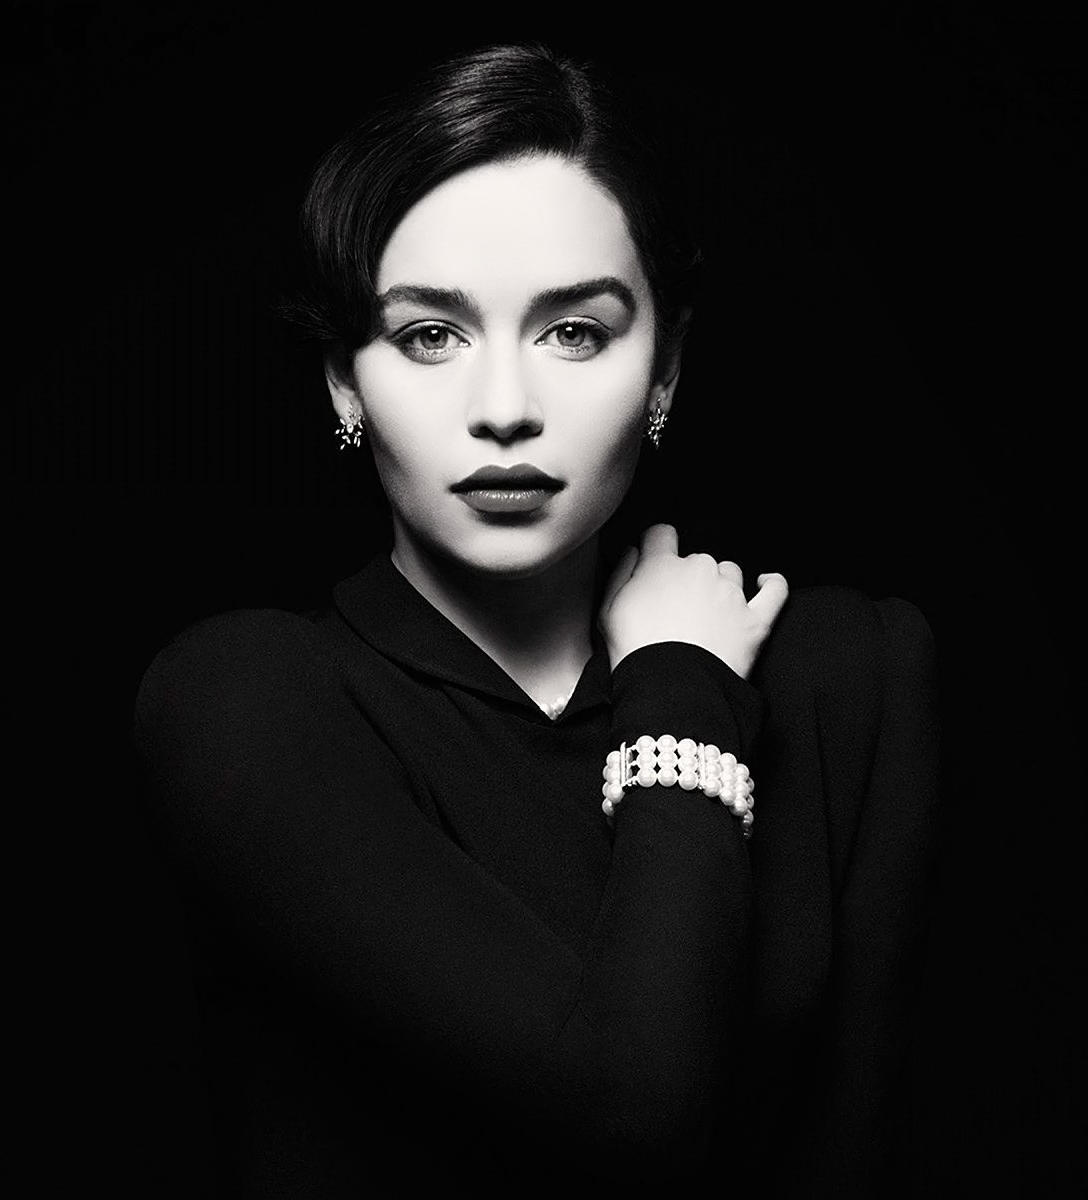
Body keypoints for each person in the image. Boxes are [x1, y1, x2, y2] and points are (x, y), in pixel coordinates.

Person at [133, 42, 941, 1197]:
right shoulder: (250, 704)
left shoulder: (843, 673)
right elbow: (632, 1106)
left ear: (666, 364)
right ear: (344, 380)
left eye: (575, 332)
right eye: (429, 335)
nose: (505, 409)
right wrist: (679, 686)